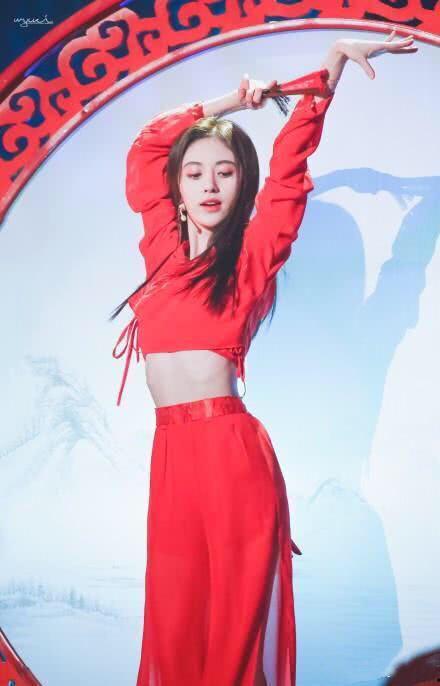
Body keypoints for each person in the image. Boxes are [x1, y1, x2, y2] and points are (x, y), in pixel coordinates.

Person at [110, 31, 417, 686]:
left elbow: (289, 171)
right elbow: (145, 147)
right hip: (171, 458)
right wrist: (234, 101)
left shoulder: (251, 257)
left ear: (243, 183)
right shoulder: (160, 250)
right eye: (195, 172)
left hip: (231, 457)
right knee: (176, 621)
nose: (209, 184)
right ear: (177, 187)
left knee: (234, 632)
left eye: (226, 171)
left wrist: (330, 67)